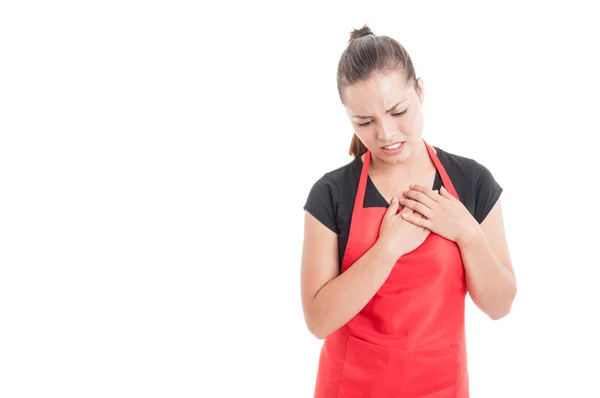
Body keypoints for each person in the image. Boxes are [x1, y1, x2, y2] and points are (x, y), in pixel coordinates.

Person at [300, 25, 517, 398]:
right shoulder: (332, 194)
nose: (385, 134)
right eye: (364, 122)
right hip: (350, 387)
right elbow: (319, 320)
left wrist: (467, 232)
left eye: (397, 111)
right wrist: (388, 248)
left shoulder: (471, 183)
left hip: (442, 387)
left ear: (420, 90)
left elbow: (499, 306)